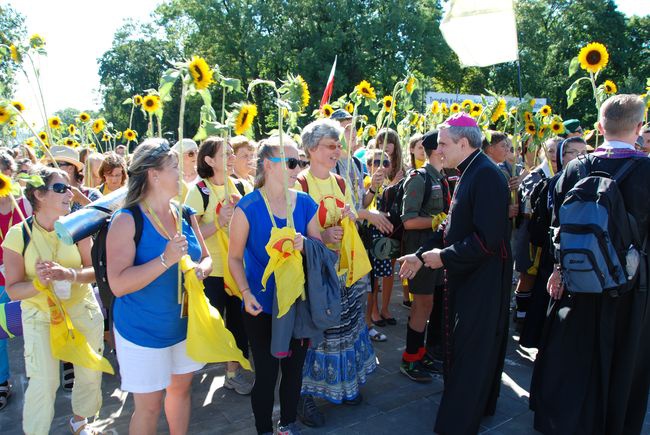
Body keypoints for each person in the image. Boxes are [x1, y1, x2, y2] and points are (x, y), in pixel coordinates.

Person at [530, 95, 650, 435]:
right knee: (625, 363)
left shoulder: (574, 167)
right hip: (631, 287)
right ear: (639, 128)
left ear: (599, 127)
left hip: (577, 281)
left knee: (576, 358)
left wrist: (556, 271)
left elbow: (557, 228)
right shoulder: (646, 169)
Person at [398, 113, 511, 434]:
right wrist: (421, 256)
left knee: (472, 352)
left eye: (443, 143)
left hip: (483, 281)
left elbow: (485, 240)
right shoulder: (470, 171)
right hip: (472, 276)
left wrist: (443, 257)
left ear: (464, 143)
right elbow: (451, 226)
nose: (437, 149)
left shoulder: (486, 175)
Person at [106, 139, 212, 435]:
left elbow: (206, 258)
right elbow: (118, 284)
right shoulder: (127, 220)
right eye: (175, 167)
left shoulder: (185, 213)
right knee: (149, 407)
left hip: (184, 327)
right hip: (142, 333)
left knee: (181, 392)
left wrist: (200, 271)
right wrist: (165, 259)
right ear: (153, 174)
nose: (183, 171)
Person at [229, 135, 321, 435]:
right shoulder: (248, 206)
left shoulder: (306, 203)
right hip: (261, 305)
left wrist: (305, 243)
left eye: (300, 162)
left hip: (297, 303)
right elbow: (233, 258)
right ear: (269, 165)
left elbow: (319, 249)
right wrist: (245, 293)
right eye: (293, 162)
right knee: (267, 375)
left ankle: (287, 425)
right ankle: (263, 429)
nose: (298, 168)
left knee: (294, 373)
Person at [3, 165, 104, 435]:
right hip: (40, 316)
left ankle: (81, 422)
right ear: (38, 194)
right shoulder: (18, 234)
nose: (69, 193)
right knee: (44, 382)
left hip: (82, 309)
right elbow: (13, 290)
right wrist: (38, 283)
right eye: (60, 188)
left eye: (69, 187)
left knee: (89, 372)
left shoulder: (77, 226)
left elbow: (94, 271)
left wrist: (67, 274)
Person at [296, 119, 376, 427]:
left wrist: (349, 218)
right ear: (312, 149)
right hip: (316, 274)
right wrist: (323, 236)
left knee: (346, 329)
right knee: (318, 334)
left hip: (343, 269)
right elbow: (293, 231)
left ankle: (345, 385)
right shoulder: (300, 184)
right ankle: (304, 398)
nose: (337, 151)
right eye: (332, 145)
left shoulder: (340, 182)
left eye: (339, 145)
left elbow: (348, 219)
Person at [185, 136, 254, 395]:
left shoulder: (241, 186)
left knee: (239, 323)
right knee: (210, 323)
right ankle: (186, 372)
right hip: (212, 270)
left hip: (238, 267)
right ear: (209, 160)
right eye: (224, 154)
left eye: (231, 153)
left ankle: (233, 372)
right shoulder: (198, 191)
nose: (231, 157)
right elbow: (191, 234)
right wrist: (218, 223)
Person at [519, 136, 587, 349]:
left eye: (583, 152)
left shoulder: (587, 178)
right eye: (573, 153)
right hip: (555, 251)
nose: (580, 157)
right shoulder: (556, 181)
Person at [399, 130, 448, 383]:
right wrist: (439, 222)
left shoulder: (441, 177)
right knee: (422, 305)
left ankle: (421, 352)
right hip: (419, 251)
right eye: (443, 144)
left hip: (434, 252)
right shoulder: (419, 178)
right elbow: (408, 221)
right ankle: (410, 358)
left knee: (431, 304)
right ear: (436, 150)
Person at [512, 137, 560, 327]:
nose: (554, 155)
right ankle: (521, 314)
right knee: (528, 273)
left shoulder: (568, 172)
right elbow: (527, 208)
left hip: (551, 232)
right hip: (533, 230)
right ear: (542, 152)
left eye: (559, 150)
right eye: (550, 150)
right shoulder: (536, 175)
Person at [0, 152, 31, 412]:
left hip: (24, 278)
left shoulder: (26, 205)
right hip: (0, 281)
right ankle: (1, 380)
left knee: (32, 323)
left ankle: (40, 368)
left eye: (5, 175)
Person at [361, 149, 392, 343]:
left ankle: (369, 323)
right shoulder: (364, 182)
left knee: (375, 280)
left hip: (382, 236)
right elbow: (363, 206)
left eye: (386, 162)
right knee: (368, 285)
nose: (381, 166)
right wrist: (373, 187)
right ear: (368, 164)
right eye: (376, 161)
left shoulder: (389, 183)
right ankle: (368, 320)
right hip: (366, 236)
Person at [43, 146, 102, 213]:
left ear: (70, 168)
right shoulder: (48, 196)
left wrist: (82, 200)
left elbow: (105, 218)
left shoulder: (91, 194)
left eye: (55, 165)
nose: (51, 169)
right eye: (48, 166)